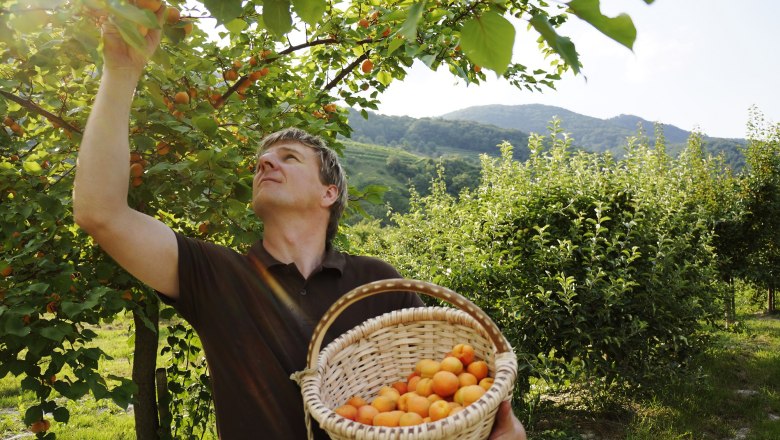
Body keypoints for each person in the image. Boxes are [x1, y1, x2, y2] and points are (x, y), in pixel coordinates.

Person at [72, 6, 526, 440]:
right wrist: (122, 72)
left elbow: (442, 388)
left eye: (288, 158)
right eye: (260, 161)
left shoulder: (379, 282)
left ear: (329, 193)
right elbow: (101, 213)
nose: (265, 162)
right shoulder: (216, 274)